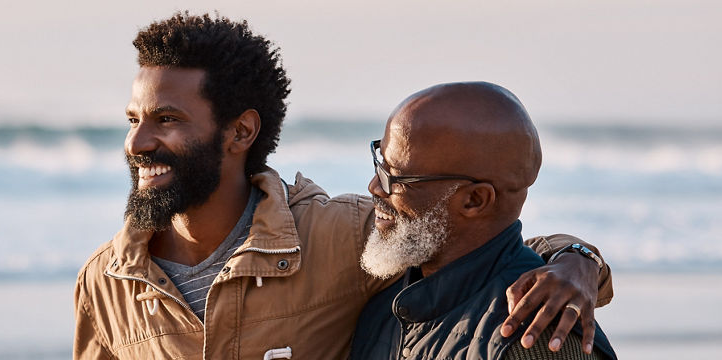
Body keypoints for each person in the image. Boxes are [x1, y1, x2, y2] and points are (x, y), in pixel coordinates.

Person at [74, 13, 613, 360]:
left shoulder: (342, 239)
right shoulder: (104, 281)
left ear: (240, 131)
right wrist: (578, 258)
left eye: (166, 118)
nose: (137, 142)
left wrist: (577, 260)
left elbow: (485, 250)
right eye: (132, 119)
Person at [349, 82, 618, 359]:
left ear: (474, 200)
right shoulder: (386, 303)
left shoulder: (538, 342)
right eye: (379, 162)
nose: (375, 187)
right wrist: (579, 256)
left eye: (394, 177)